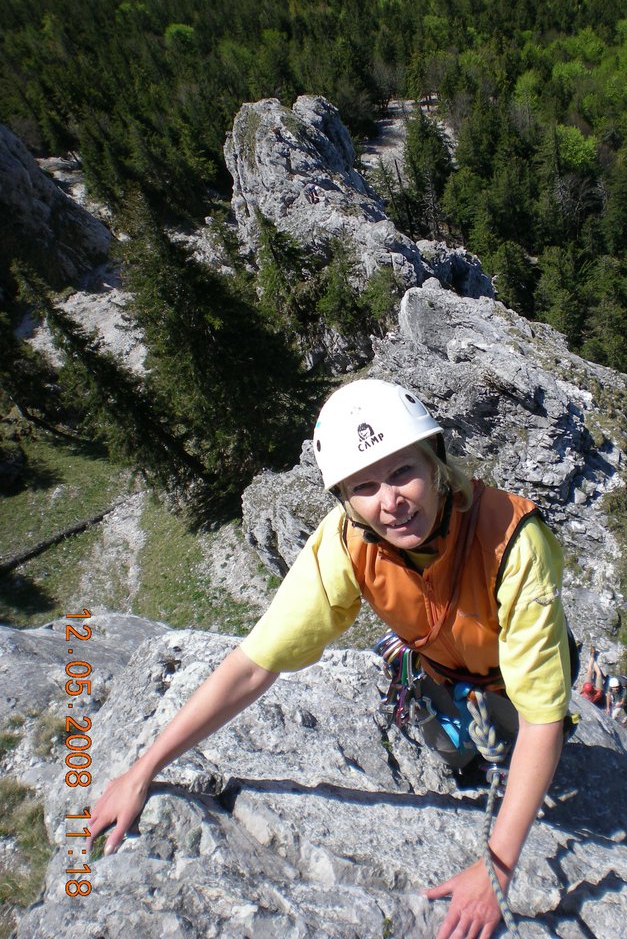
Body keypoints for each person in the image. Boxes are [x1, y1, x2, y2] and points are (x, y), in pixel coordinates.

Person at [87, 379, 574, 938]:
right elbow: (254, 664)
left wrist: (496, 868)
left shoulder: (513, 540)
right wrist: (144, 770)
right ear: (344, 499)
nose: (390, 502)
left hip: (509, 683)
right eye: (364, 485)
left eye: (403, 471)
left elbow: (543, 717)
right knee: (451, 749)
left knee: (512, 747)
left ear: (436, 464)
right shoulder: (347, 542)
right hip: (439, 669)